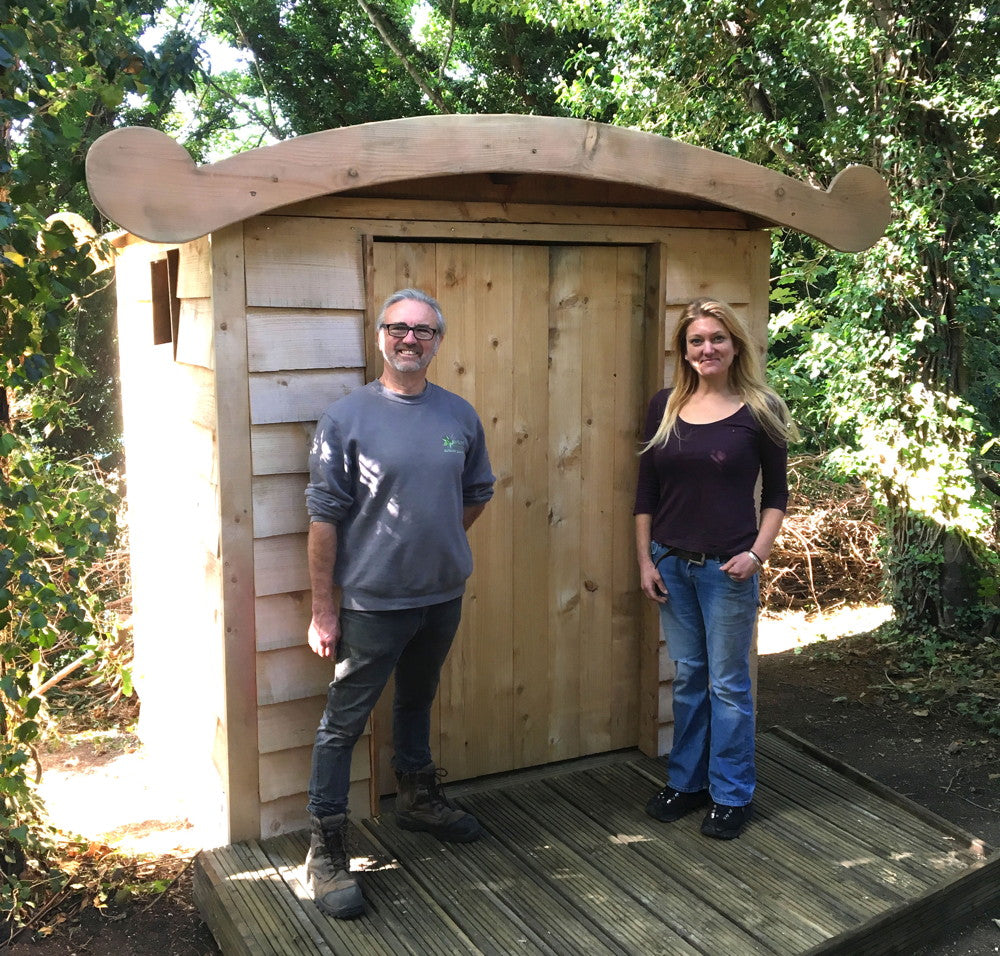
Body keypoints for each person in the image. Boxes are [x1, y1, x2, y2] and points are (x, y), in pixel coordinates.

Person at [303, 288, 495, 918]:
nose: (410, 339)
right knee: (342, 724)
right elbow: (324, 520)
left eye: (423, 331)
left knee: (417, 699)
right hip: (371, 605)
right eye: (398, 328)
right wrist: (324, 609)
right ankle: (325, 852)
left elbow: (475, 494)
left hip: (441, 597)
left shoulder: (459, 415)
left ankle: (416, 801)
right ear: (380, 336)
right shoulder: (346, 418)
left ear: (438, 341)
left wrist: (434, 544)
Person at [634, 297, 797, 841]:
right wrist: (645, 560)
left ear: (735, 346)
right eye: (696, 341)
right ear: (684, 350)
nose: (707, 348)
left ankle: (731, 793)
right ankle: (687, 782)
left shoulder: (760, 407)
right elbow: (646, 494)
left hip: (728, 571)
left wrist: (757, 553)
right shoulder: (663, 405)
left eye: (717, 339)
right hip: (671, 565)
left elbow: (776, 495)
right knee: (688, 679)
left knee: (728, 685)